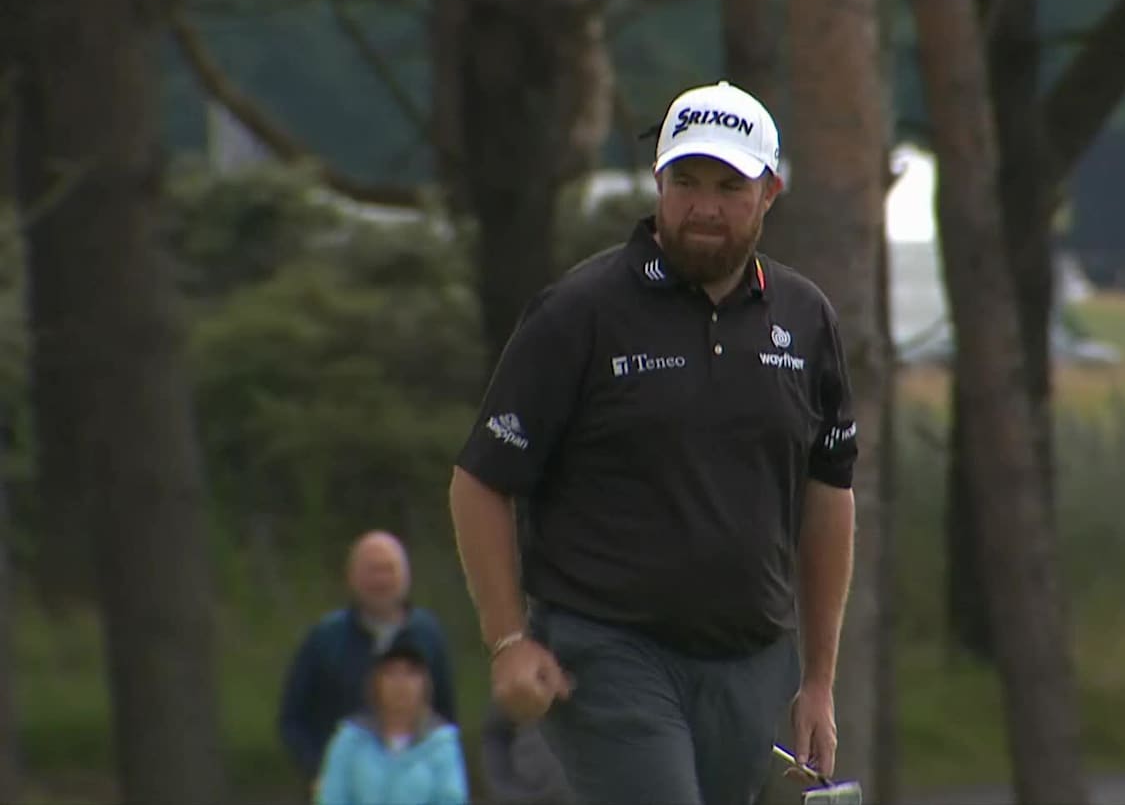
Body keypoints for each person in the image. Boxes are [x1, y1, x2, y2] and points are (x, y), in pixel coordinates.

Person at [448, 79, 858, 805]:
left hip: (750, 660)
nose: (703, 206)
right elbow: (481, 479)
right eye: (685, 182)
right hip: (607, 650)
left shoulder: (806, 317)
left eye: (729, 186)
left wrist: (817, 681)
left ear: (770, 191)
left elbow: (829, 493)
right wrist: (508, 639)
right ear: (658, 184)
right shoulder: (581, 312)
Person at [280, 530, 458, 785]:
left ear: (406, 576)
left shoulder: (428, 636)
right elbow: (293, 719)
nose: (381, 580)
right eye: (372, 570)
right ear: (351, 576)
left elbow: (445, 716)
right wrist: (318, 772)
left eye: (389, 569)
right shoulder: (324, 639)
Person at [314, 632, 470, 805]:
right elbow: (332, 798)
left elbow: (451, 799)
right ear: (375, 681)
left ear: (425, 682)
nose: (400, 683)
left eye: (411, 672)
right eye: (390, 672)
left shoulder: (442, 743)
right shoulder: (349, 740)